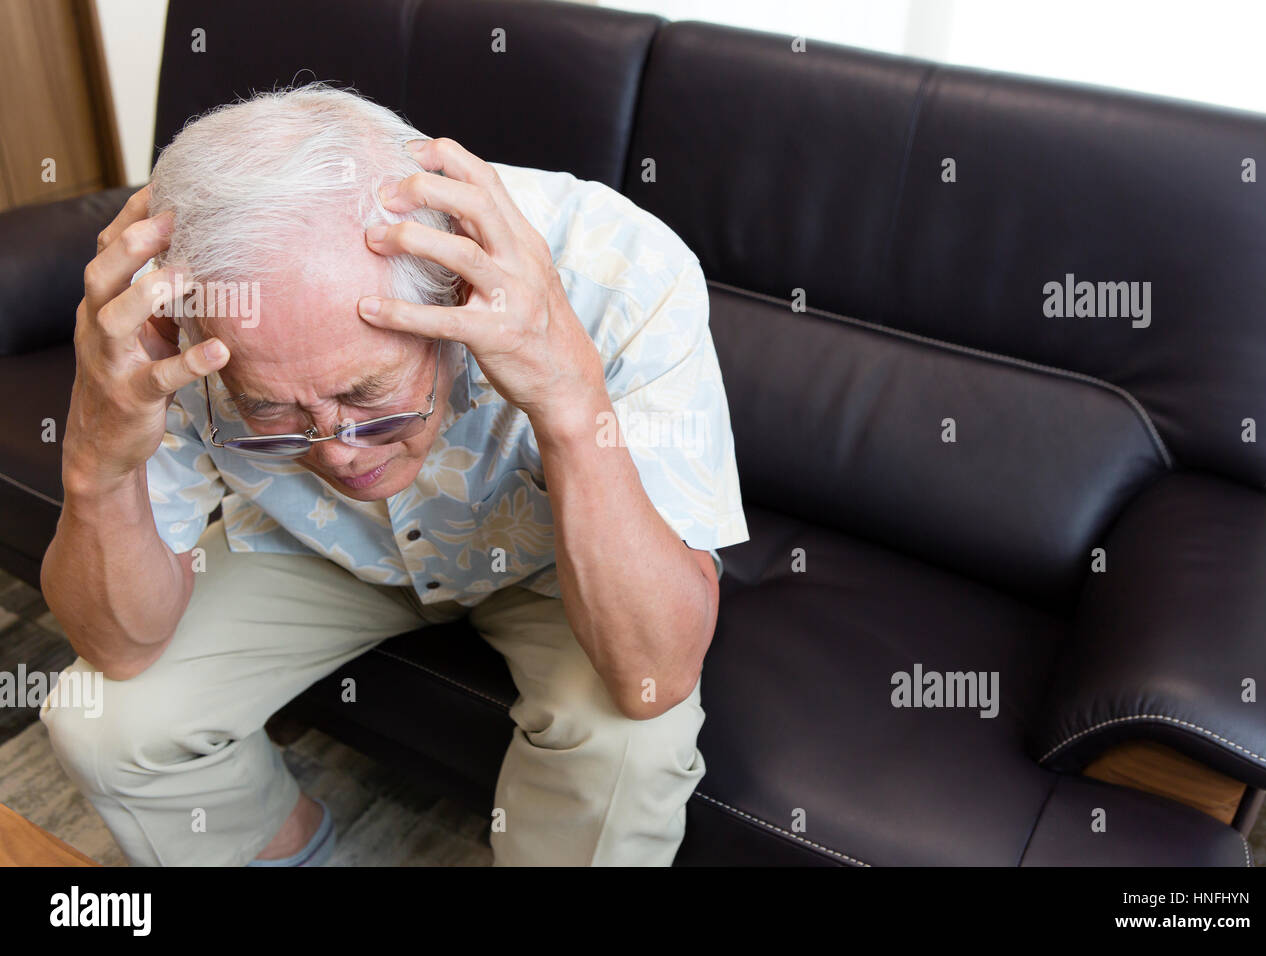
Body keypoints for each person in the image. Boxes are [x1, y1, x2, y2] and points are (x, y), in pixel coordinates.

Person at [38, 84, 748, 866]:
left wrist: (570, 402)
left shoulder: (620, 268)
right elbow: (122, 650)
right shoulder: (169, 316)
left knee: (629, 742)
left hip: (553, 556)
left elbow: (657, 671)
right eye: (272, 412)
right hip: (317, 545)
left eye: (368, 396)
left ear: (453, 299)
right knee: (103, 722)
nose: (340, 453)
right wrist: (95, 460)